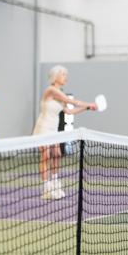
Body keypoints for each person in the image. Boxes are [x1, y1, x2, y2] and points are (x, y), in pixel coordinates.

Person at [33, 65, 96, 200]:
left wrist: (87, 108)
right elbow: (70, 101)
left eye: (66, 75)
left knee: (57, 154)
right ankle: (46, 186)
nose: (65, 77)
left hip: (54, 129)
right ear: (55, 76)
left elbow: (69, 111)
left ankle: (55, 182)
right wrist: (88, 103)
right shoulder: (51, 91)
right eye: (63, 75)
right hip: (43, 127)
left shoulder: (59, 93)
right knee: (45, 156)